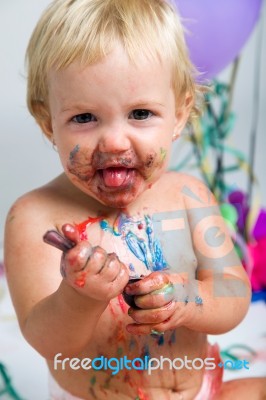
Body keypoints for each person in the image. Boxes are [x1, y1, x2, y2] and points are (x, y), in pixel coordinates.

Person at [4, 0, 266, 399]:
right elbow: (49, 342)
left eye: (140, 113)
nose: (113, 141)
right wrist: (78, 295)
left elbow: (233, 295)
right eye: (84, 118)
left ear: (180, 114)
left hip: (202, 389)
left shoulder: (189, 196)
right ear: (48, 122)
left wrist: (189, 299)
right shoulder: (35, 217)